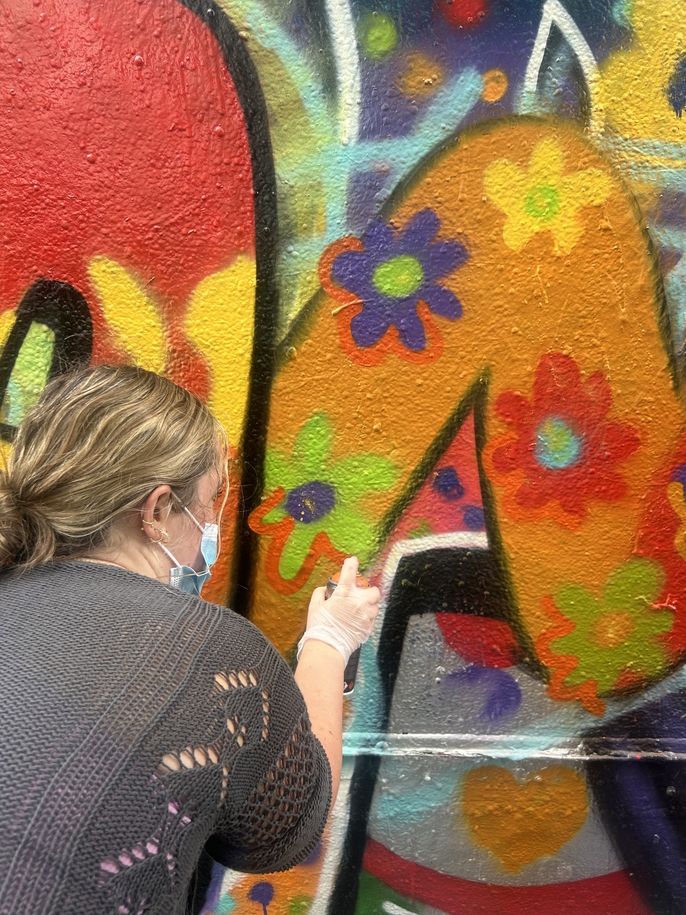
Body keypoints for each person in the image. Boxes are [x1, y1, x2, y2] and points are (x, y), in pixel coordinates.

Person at [0, 365, 380, 915]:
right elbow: (284, 832)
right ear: (156, 511)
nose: (213, 523)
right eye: (209, 501)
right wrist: (330, 639)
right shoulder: (207, 650)